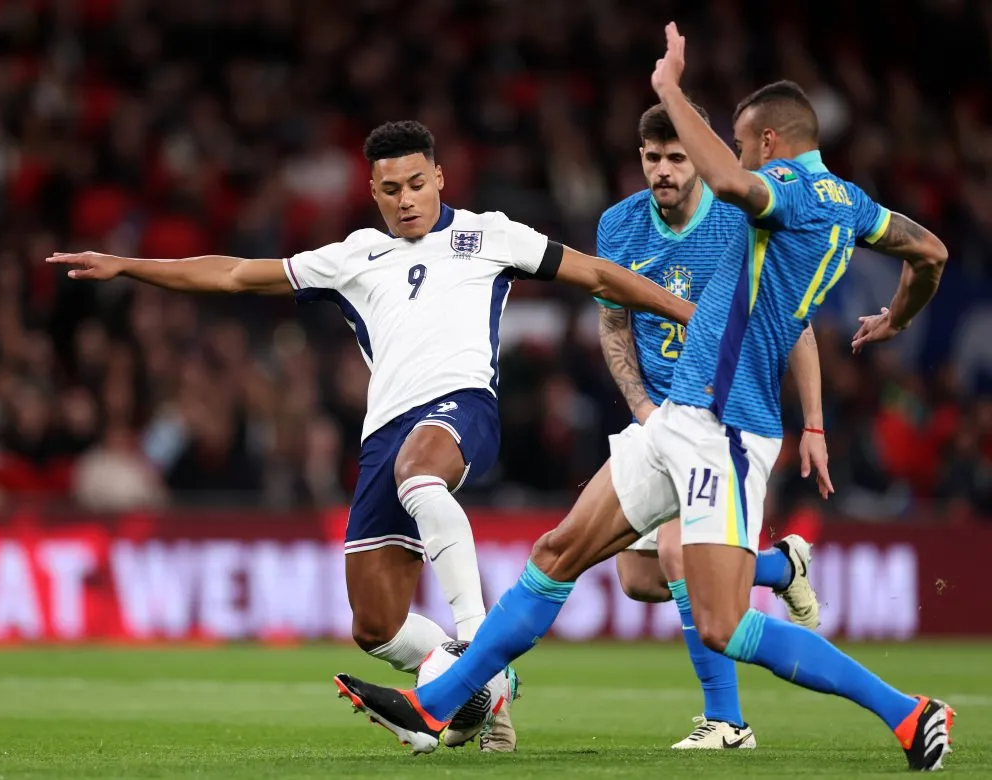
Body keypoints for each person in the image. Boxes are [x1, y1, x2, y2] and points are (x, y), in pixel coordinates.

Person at [333, 26, 954, 772]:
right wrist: (897, 317)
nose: (736, 151)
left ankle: (910, 712)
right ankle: (442, 702)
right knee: (558, 554)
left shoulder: (782, 189)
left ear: (766, 139)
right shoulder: (853, 204)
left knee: (722, 623)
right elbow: (930, 252)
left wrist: (669, 90)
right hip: (680, 418)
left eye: (738, 140)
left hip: (724, 425)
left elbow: (729, 183)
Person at [48, 119, 694, 753]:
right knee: (376, 627)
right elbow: (237, 275)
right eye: (392, 189)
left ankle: (481, 656)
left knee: (421, 471)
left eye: (417, 183)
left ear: (439, 177)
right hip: (384, 433)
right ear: (373, 191)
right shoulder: (355, 256)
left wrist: (686, 312)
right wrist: (127, 265)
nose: (407, 198)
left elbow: (602, 277)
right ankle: (475, 685)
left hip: (462, 406)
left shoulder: (491, 236)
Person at [598, 101, 826, 750]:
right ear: (639, 158)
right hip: (658, 418)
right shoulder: (618, 227)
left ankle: (727, 722)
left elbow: (796, 325)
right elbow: (613, 323)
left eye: (677, 157)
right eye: (652, 159)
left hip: (722, 418)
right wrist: (642, 408)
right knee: (639, 580)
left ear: (698, 157)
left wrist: (814, 423)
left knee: (676, 554)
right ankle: (780, 570)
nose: (664, 171)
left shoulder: (737, 217)